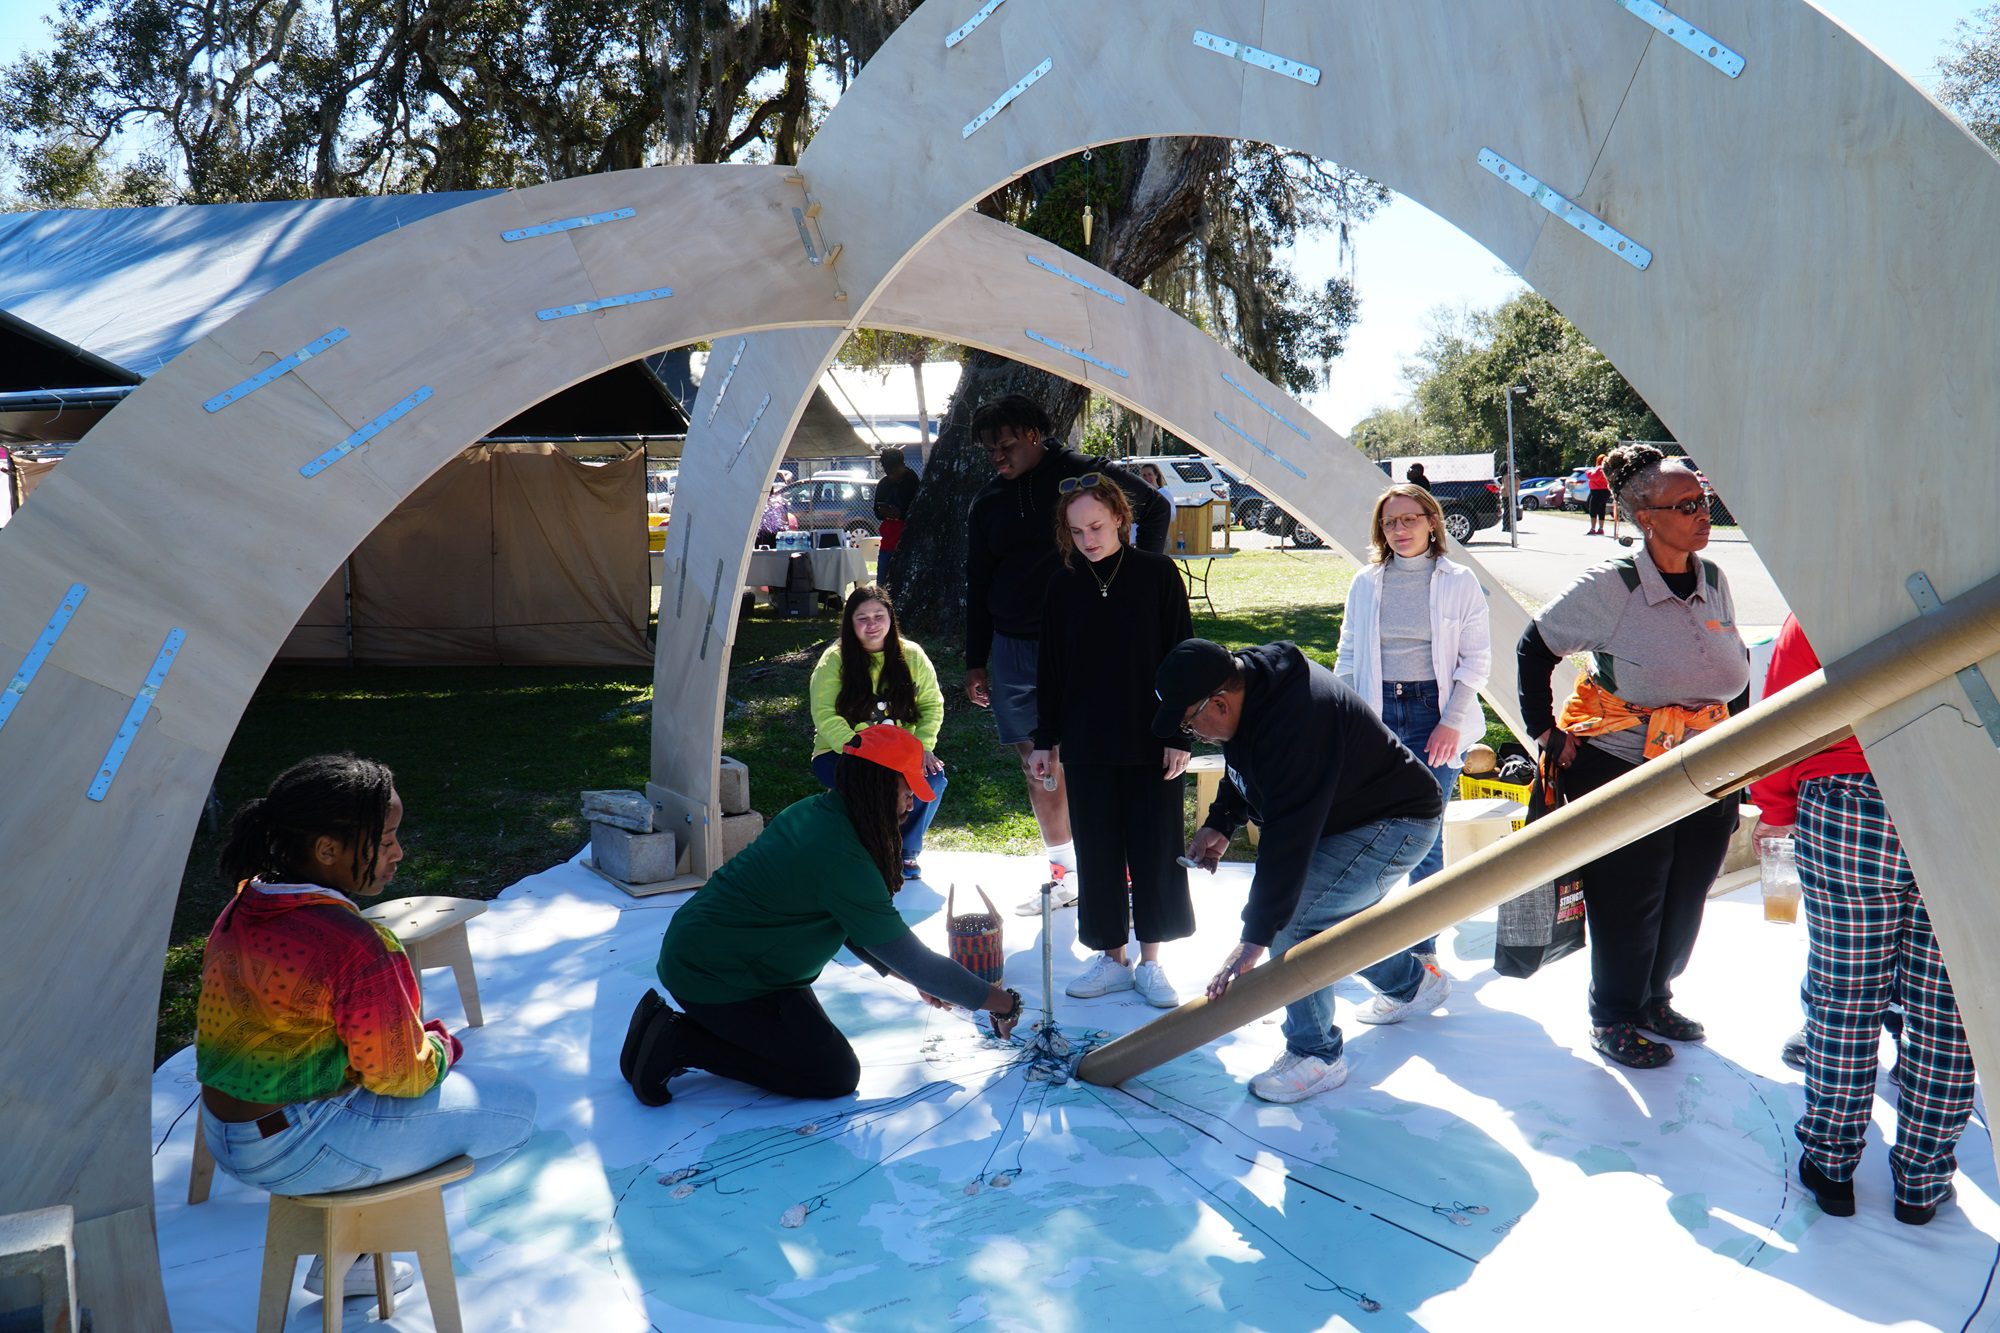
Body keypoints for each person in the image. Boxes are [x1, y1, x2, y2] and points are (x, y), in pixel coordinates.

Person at [196, 755, 536, 1300]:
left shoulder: (247, 902)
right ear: (327, 850)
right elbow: (403, 1076)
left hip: (223, 1131)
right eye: (385, 840)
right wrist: (443, 1045)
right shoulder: (355, 942)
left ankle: (350, 1252)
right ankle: (355, 1247)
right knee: (516, 1107)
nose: (398, 852)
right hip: (295, 1145)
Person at [626, 726, 1025, 1103]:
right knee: (830, 1074)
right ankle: (679, 1041)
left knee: (813, 1050)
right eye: (908, 789)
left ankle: (659, 1028)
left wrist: (908, 975)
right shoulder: (840, 856)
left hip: (730, 957)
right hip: (719, 976)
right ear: (879, 784)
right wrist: (1003, 1003)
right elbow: (915, 960)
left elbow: (860, 931)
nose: (914, 801)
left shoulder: (822, 812)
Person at [1517, 444, 1749, 1069]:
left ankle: (1655, 997)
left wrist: (1747, 752)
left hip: (1706, 766)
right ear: (1645, 516)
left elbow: (1735, 673)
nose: (1704, 514)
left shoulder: (1714, 578)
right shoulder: (1610, 586)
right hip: (1624, 765)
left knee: (1687, 891)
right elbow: (1533, 647)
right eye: (1687, 505)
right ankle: (1613, 1014)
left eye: (1704, 500)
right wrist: (1544, 729)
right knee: (1629, 895)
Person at [1749, 615, 1973, 1225]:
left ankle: (1831, 1164)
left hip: (1846, 793)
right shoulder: (1980, 569)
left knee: (1845, 992)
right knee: (1947, 1008)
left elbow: (1783, 717)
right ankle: (1922, 1181)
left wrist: (1775, 808)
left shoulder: (1829, 592)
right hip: (1965, 796)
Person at [1158, 639, 1445, 1104]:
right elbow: (1244, 761)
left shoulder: (1298, 720)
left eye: (1190, 723)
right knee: (1318, 919)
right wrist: (1220, 822)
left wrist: (1255, 938)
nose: (1193, 733)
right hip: (1346, 816)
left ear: (1219, 702)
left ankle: (1317, 1054)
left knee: (1296, 922)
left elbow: (1286, 843)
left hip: (1397, 821)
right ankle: (1413, 983)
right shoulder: (1249, 685)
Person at [962, 394, 1172, 905]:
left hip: (1087, 643)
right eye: (990, 449)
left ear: (1034, 435)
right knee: (1039, 765)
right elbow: (979, 581)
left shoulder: (1082, 474)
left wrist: (1135, 577)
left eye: (1006, 445)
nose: (998, 457)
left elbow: (1155, 504)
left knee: (1098, 761)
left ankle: (1117, 877)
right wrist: (975, 659)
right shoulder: (987, 502)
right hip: (1014, 648)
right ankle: (1065, 877)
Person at [1029, 475, 1195, 1007]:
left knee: (1156, 847)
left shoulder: (1157, 573)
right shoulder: (1061, 585)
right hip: (1087, 740)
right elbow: (1050, 670)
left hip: (1152, 737)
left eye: (1097, 527)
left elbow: (1184, 657)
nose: (1088, 540)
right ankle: (1111, 958)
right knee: (1098, 851)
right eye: (1077, 531)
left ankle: (1152, 963)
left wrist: (1179, 733)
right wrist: (1043, 740)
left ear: (1121, 518)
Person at [1333, 483, 1491, 1024]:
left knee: (1425, 836)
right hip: (1379, 713)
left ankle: (1423, 956)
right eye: (1389, 522)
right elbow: (1349, 651)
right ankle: (1380, 948)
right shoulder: (1366, 582)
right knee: (1375, 830)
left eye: (1409, 519)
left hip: (1433, 713)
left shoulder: (1459, 580)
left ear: (1431, 522)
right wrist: (1348, 719)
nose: (1399, 530)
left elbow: (1475, 660)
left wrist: (1450, 722)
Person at [808, 585, 947, 879]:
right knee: (874, 785)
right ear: (850, 623)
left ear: (890, 618)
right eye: (862, 618)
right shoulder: (834, 660)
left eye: (878, 616)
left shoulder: (912, 655)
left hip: (900, 754)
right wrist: (858, 751)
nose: (872, 625)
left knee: (933, 780)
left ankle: (905, 851)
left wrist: (922, 747)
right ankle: (864, 852)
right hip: (842, 752)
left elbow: (932, 705)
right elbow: (825, 715)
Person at [872, 447, 920, 593]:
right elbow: (877, 511)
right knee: (882, 584)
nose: (891, 476)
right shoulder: (883, 484)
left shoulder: (912, 482)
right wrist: (884, 512)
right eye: (888, 472)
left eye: (894, 471)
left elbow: (918, 511)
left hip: (908, 541)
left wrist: (900, 514)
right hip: (888, 542)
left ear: (902, 465)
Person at [1133, 462, 1175, 550]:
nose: (1147, 478)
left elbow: (1172, 516)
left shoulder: (1164, 494)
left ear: (1156, 475)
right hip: (1142, 538)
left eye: (1150, 474)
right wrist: (1132, 539)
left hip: (1159, 538)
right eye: (1144, 475)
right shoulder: (1139, 495)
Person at [1585, 454, 1611, 535]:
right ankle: (1601, 528)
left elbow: (1594, 477)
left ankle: (1593, 528)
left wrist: (1588, 472)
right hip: (1605, 490)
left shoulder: (1600, 468)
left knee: (1593, 509)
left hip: (1597, 491)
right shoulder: (1608, 469)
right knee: (1601, 509)